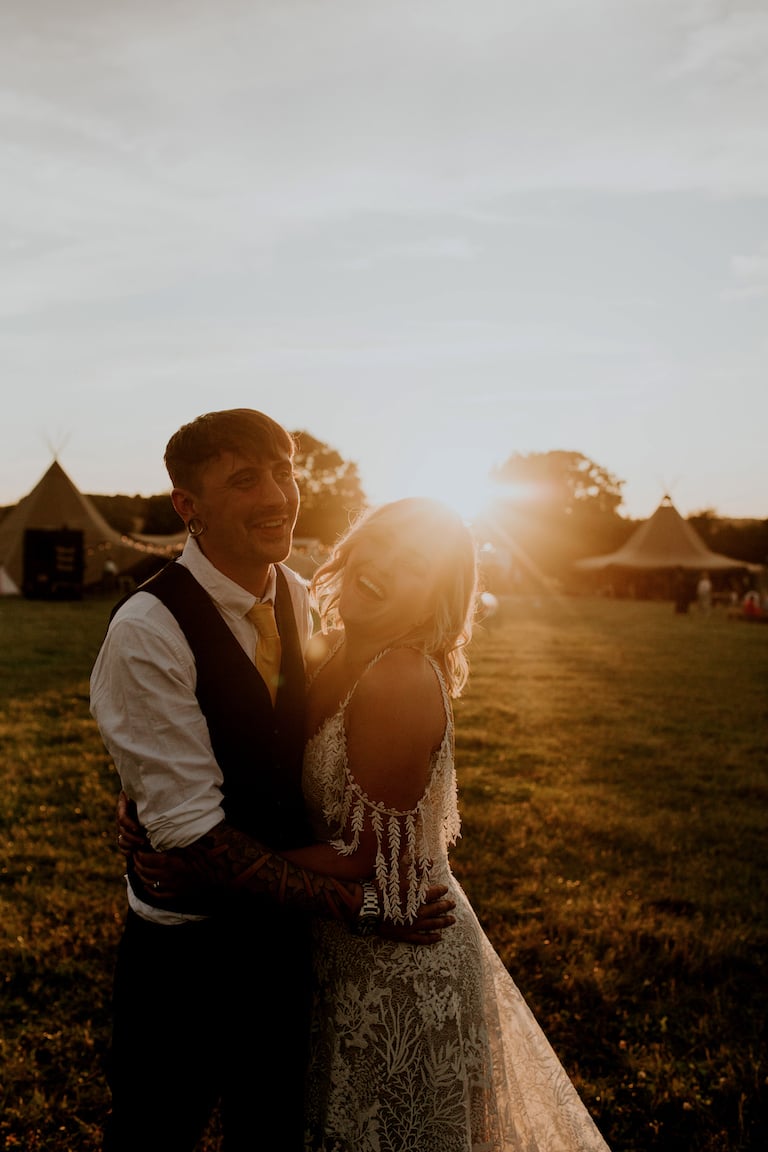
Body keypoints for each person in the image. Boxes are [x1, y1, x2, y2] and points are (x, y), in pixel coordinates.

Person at [133, 496, 612, 1151]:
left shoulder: (398, 678)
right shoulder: (325, 647)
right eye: (378, 544)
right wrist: (155, 809)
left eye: (412, 565)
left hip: (399, 957)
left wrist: (207, 858)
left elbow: (366, 857)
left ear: (435, 600)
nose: (382, 566)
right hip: (333, 943)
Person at [91, 410, 453, 1152]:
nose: (278, 494)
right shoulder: (147, 630)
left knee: (275, 1130)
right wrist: (363, 906)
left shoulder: (299, 596)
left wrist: (162, 827)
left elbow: (301, 749)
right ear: (187, 506)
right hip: (188, 960)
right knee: (155, 1132)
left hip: (288, 948)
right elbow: (188, 827)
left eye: (285, 471)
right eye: (245, 479)